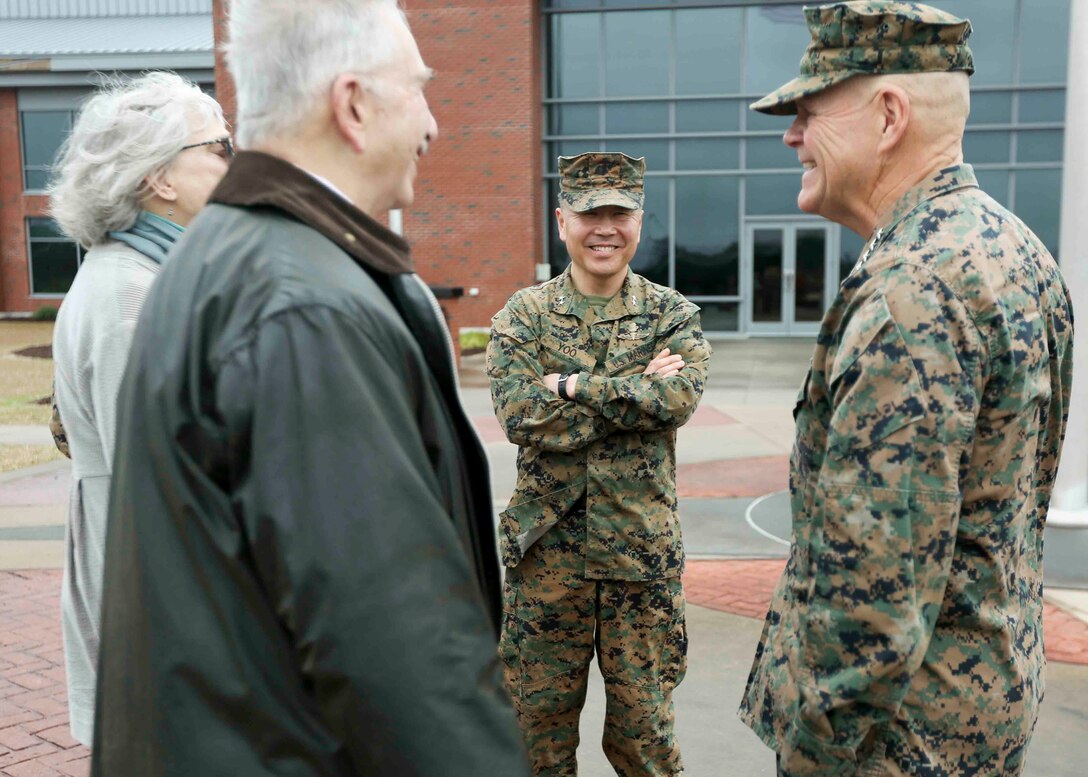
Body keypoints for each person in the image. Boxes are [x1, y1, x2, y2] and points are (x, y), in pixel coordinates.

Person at [90, 1, 530, 774]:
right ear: (354, 105)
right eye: (420, 89)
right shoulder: (303, 305)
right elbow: (398, 651)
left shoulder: (234, 260)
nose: (433, 124)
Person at [738, 3, 1075, 775]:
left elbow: (872, 606)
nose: (791, 135)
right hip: (981, 708)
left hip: (895, 743)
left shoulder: (910, 292)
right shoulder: (1013, 248)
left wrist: (810, 757)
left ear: (888, 116)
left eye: (809, 110)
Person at [488, 151, 711, 776]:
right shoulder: (524, 317)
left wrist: (573, 386)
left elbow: (675, 399)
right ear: (563, 222)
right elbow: (521, 415)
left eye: (619, 212)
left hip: (640, 561)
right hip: (545, 558)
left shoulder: (673, 315)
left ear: (639, 222)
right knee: (537, 739)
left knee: (645, 741)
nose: (604, 227)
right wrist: (628, 389)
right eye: (590, 214)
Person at [47, 71, 231, 746]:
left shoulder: (153, 278)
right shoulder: (131, 300)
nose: (230, 161)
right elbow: (161, 499)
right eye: (217, 147)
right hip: (163, 621)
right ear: (160, 179)